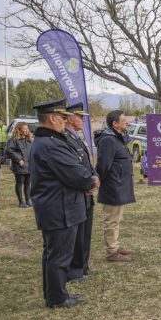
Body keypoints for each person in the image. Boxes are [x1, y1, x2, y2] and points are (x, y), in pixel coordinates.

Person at [29, 99, 97, 308]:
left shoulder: (48, 142)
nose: (65, 121)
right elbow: (76, 173)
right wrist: (90, 181)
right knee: (59, 255)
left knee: (54, 254)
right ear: (52, 118)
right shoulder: (51, 144)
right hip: (60, 207)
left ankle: (56, 294)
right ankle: (57, 298)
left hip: (58, 205)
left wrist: (87, 179)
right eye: (62, 117)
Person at [96, 110, 136, 261]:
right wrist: (104, 182)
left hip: (118, 185)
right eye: (124, 120)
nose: (127, 122)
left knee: (117, 219)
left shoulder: (117, 138)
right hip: (112, 186)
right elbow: (103, 166)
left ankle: (116, 246)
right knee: (111, 220)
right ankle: (112, 252)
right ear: (115, 123)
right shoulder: (108, 140)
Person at [65, 103, 98, 280]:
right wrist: (87, 183)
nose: (84, 120)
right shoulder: (65, 138)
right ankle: (75, 270)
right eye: (81, 117)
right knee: (76, 236)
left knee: (86, 233)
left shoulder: (77, 137)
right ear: (70, 118)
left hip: (87, 192)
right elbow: (74, 167)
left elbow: (87, 162)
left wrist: (95, 176)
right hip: (78, 193)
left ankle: (84, 266)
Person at [5, 122, 33, 207]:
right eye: (24, 129)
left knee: (28, 183)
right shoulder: (13, 140)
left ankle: (28, 200)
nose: (26, 130)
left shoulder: (30, 140)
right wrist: (19, 159)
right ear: (19, 130)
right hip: (20, 166)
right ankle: (21, 202)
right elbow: (9, 151)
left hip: (29, 165)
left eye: (27, 128)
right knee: (19, 183)